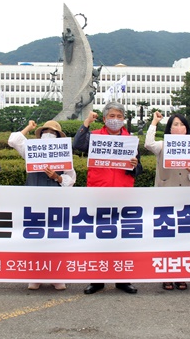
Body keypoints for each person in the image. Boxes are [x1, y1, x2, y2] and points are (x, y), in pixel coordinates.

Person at [73, 102, 143, 294]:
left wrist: (135, 165)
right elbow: (77, 145)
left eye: (119, 116)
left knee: (122, 238)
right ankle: (97, 279)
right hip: (99, 193)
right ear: (104, 119)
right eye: (111, 116)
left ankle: (122, 280)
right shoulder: (95, 137)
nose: (115, 120)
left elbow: (139, 170)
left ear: (124, 120)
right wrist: (87, 122)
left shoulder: (130, 140)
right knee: (98, 238)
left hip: (123, 193)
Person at [8, 120, 76, 291]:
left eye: (53, 133)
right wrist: (29, 128)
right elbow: (14, 140)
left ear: (58, 137)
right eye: (46, 131)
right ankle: (35, 275)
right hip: (33, 199)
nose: (49, 134)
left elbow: (71, 178)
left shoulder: (64, 153)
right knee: (34, 238)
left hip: (55, 200)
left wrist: (57, 177)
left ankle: (57, 276)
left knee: (55, 238)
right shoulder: (31, 150)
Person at [145, 111, 190, 291]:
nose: (178, 128)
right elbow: (148, 144)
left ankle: (182, 274)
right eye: (174, 125)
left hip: (186, 197)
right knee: (166, 238)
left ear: (187, 129)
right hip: (165, 198)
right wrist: (155, 121)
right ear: (169, 129)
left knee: (183, 238)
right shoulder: (162, 145)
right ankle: (167, 275)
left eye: (181, 124)